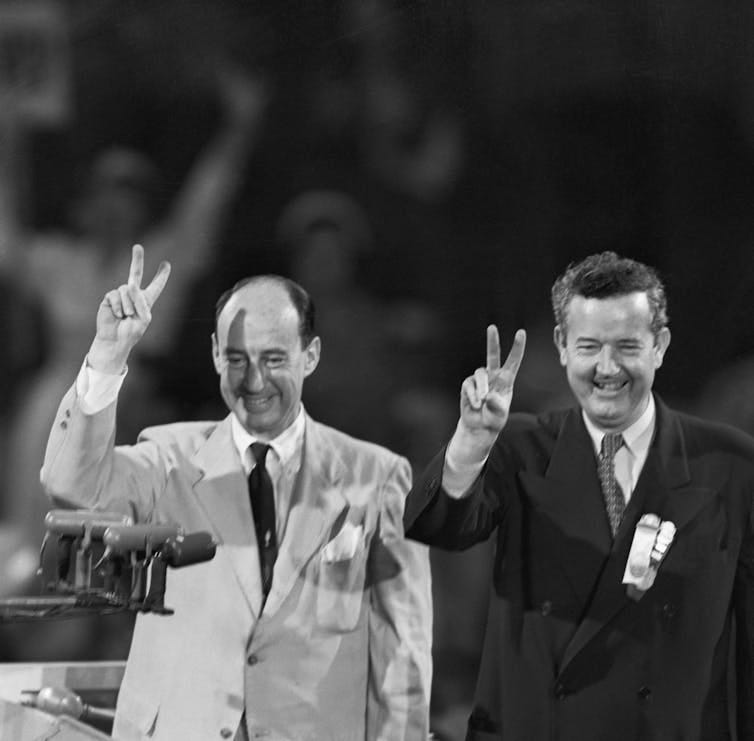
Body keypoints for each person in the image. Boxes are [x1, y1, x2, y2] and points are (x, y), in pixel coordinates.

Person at [40, 244, 432, 741]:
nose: (254, 381)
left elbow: (403, 655)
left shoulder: (376, 476)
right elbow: (71, 485)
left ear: (310, 356)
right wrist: (108, 355)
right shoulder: (169, 457)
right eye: (237, 359)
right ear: (213, 354)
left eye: (273, 359)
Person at [403, 251, 754, 741]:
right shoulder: (519, 449)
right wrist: (470, 443)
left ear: (660, 346)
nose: (606, 368)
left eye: (626, 346)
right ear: (563, 348)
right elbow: (439, 526)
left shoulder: (730, 465)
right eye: (589, 347)